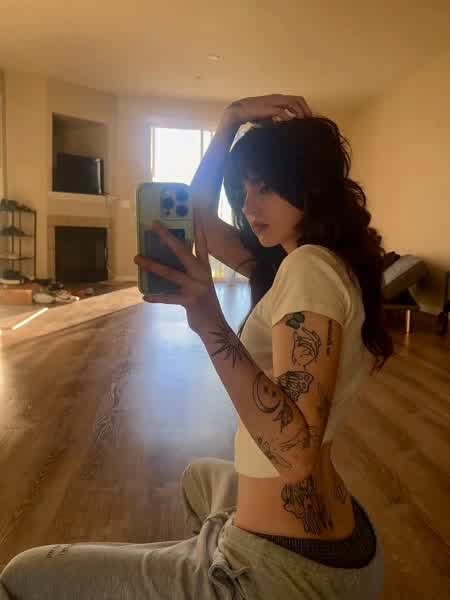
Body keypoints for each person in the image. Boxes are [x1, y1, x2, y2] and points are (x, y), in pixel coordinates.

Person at [0, 95, 392, 599]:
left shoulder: (308, 269)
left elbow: (295, 455)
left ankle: (212, 572)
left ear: (309, 183)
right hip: (344, 544)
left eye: (266, 187)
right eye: (243, 189)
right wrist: (228, 122)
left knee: (22, 575)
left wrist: (209, 322)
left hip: (284, 572)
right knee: (196, 477)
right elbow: (197, 214)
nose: (248, 205)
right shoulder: (309, 260)